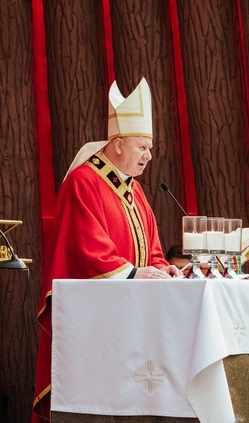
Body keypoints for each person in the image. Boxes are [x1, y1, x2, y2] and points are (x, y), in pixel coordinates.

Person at [33, 78, 182, 421]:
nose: (149, 155)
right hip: (94, 321)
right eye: (142, 147)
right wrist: (133, 273)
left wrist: (164, 269)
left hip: (131, 316)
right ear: (117, 145)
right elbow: (87, 249)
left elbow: (152, 250)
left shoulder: (135, 191)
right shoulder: (83, 182)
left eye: (150, 147)